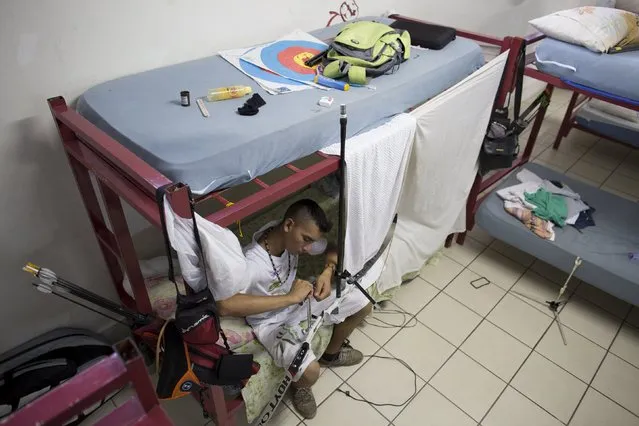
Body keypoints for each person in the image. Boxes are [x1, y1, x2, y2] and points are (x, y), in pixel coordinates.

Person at [216, 198, 372, 419]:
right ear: (288, 225)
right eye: (306, 240)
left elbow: (332, 248)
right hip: (270, 323)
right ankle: (300, 388)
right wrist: (289, 298)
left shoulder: (287, 235)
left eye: (311, 241)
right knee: (311, 372)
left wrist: (327, 271)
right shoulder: (251, 262)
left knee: (362, 303)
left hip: (298, 301)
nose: (308, 249)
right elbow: (225, 305)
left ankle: (331, 354)